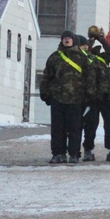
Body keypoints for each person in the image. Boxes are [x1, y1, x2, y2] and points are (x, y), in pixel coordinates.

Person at [40, 30, 92, 164]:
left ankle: (74, 154)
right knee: (58, 129)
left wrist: (89, 95)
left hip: (76, 99)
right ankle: (58, 153)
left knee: (75, 128)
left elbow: (90, 77)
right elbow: (47, 77)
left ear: (74, 40)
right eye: (65, 38)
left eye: (69, 38)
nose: (67, 40)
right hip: (58, 98)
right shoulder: (55, 57)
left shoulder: (82, 57)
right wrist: (45, 93)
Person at [81, 26, 110, 162]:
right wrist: (90, 40)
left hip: (106, 96)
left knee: (108, 125)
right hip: (92, 96)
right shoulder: (85, 57)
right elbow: (83, 55)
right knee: (91, 124)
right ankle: (88, 150)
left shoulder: (103, 57)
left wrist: (102, 40)